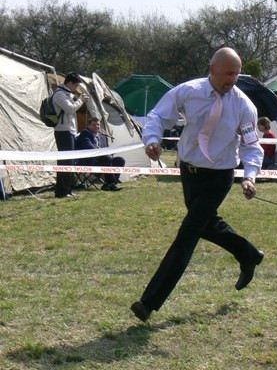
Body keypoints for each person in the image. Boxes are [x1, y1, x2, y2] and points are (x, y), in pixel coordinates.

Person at [130, 47, 265, 323]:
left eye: (237, 74)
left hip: (220, 175)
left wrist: (250, 176)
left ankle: (149, 302)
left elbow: (252, 146)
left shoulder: (244, 105)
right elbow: (158, 116)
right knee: (205, 224)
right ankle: (248, 253)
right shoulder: (188, 91)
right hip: (189, 171)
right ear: (212, 69)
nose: (233, 79)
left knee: (187, 235)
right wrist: (152, 141)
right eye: (228, 73)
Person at [52, 72, 90, 198]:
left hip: (70, 131)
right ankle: (61, 191)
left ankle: (67, 189)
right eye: (76, 86)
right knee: (65, 162)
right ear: (70, 83)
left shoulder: (67, 94)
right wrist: (80, 100)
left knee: (70, 161)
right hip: (63, 131)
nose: (76, 88)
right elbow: (70, 109)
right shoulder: (59, 94)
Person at [75, 116, 126, 191]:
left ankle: (111, 184)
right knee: (106, 158)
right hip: (88, 162)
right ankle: (111, 183)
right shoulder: (85, 134)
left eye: (98, 125)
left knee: (120, 160)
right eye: (94, 125)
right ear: (88, 126)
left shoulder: (99, 136)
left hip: (100, 161)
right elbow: (91, 148)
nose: (97, 126)